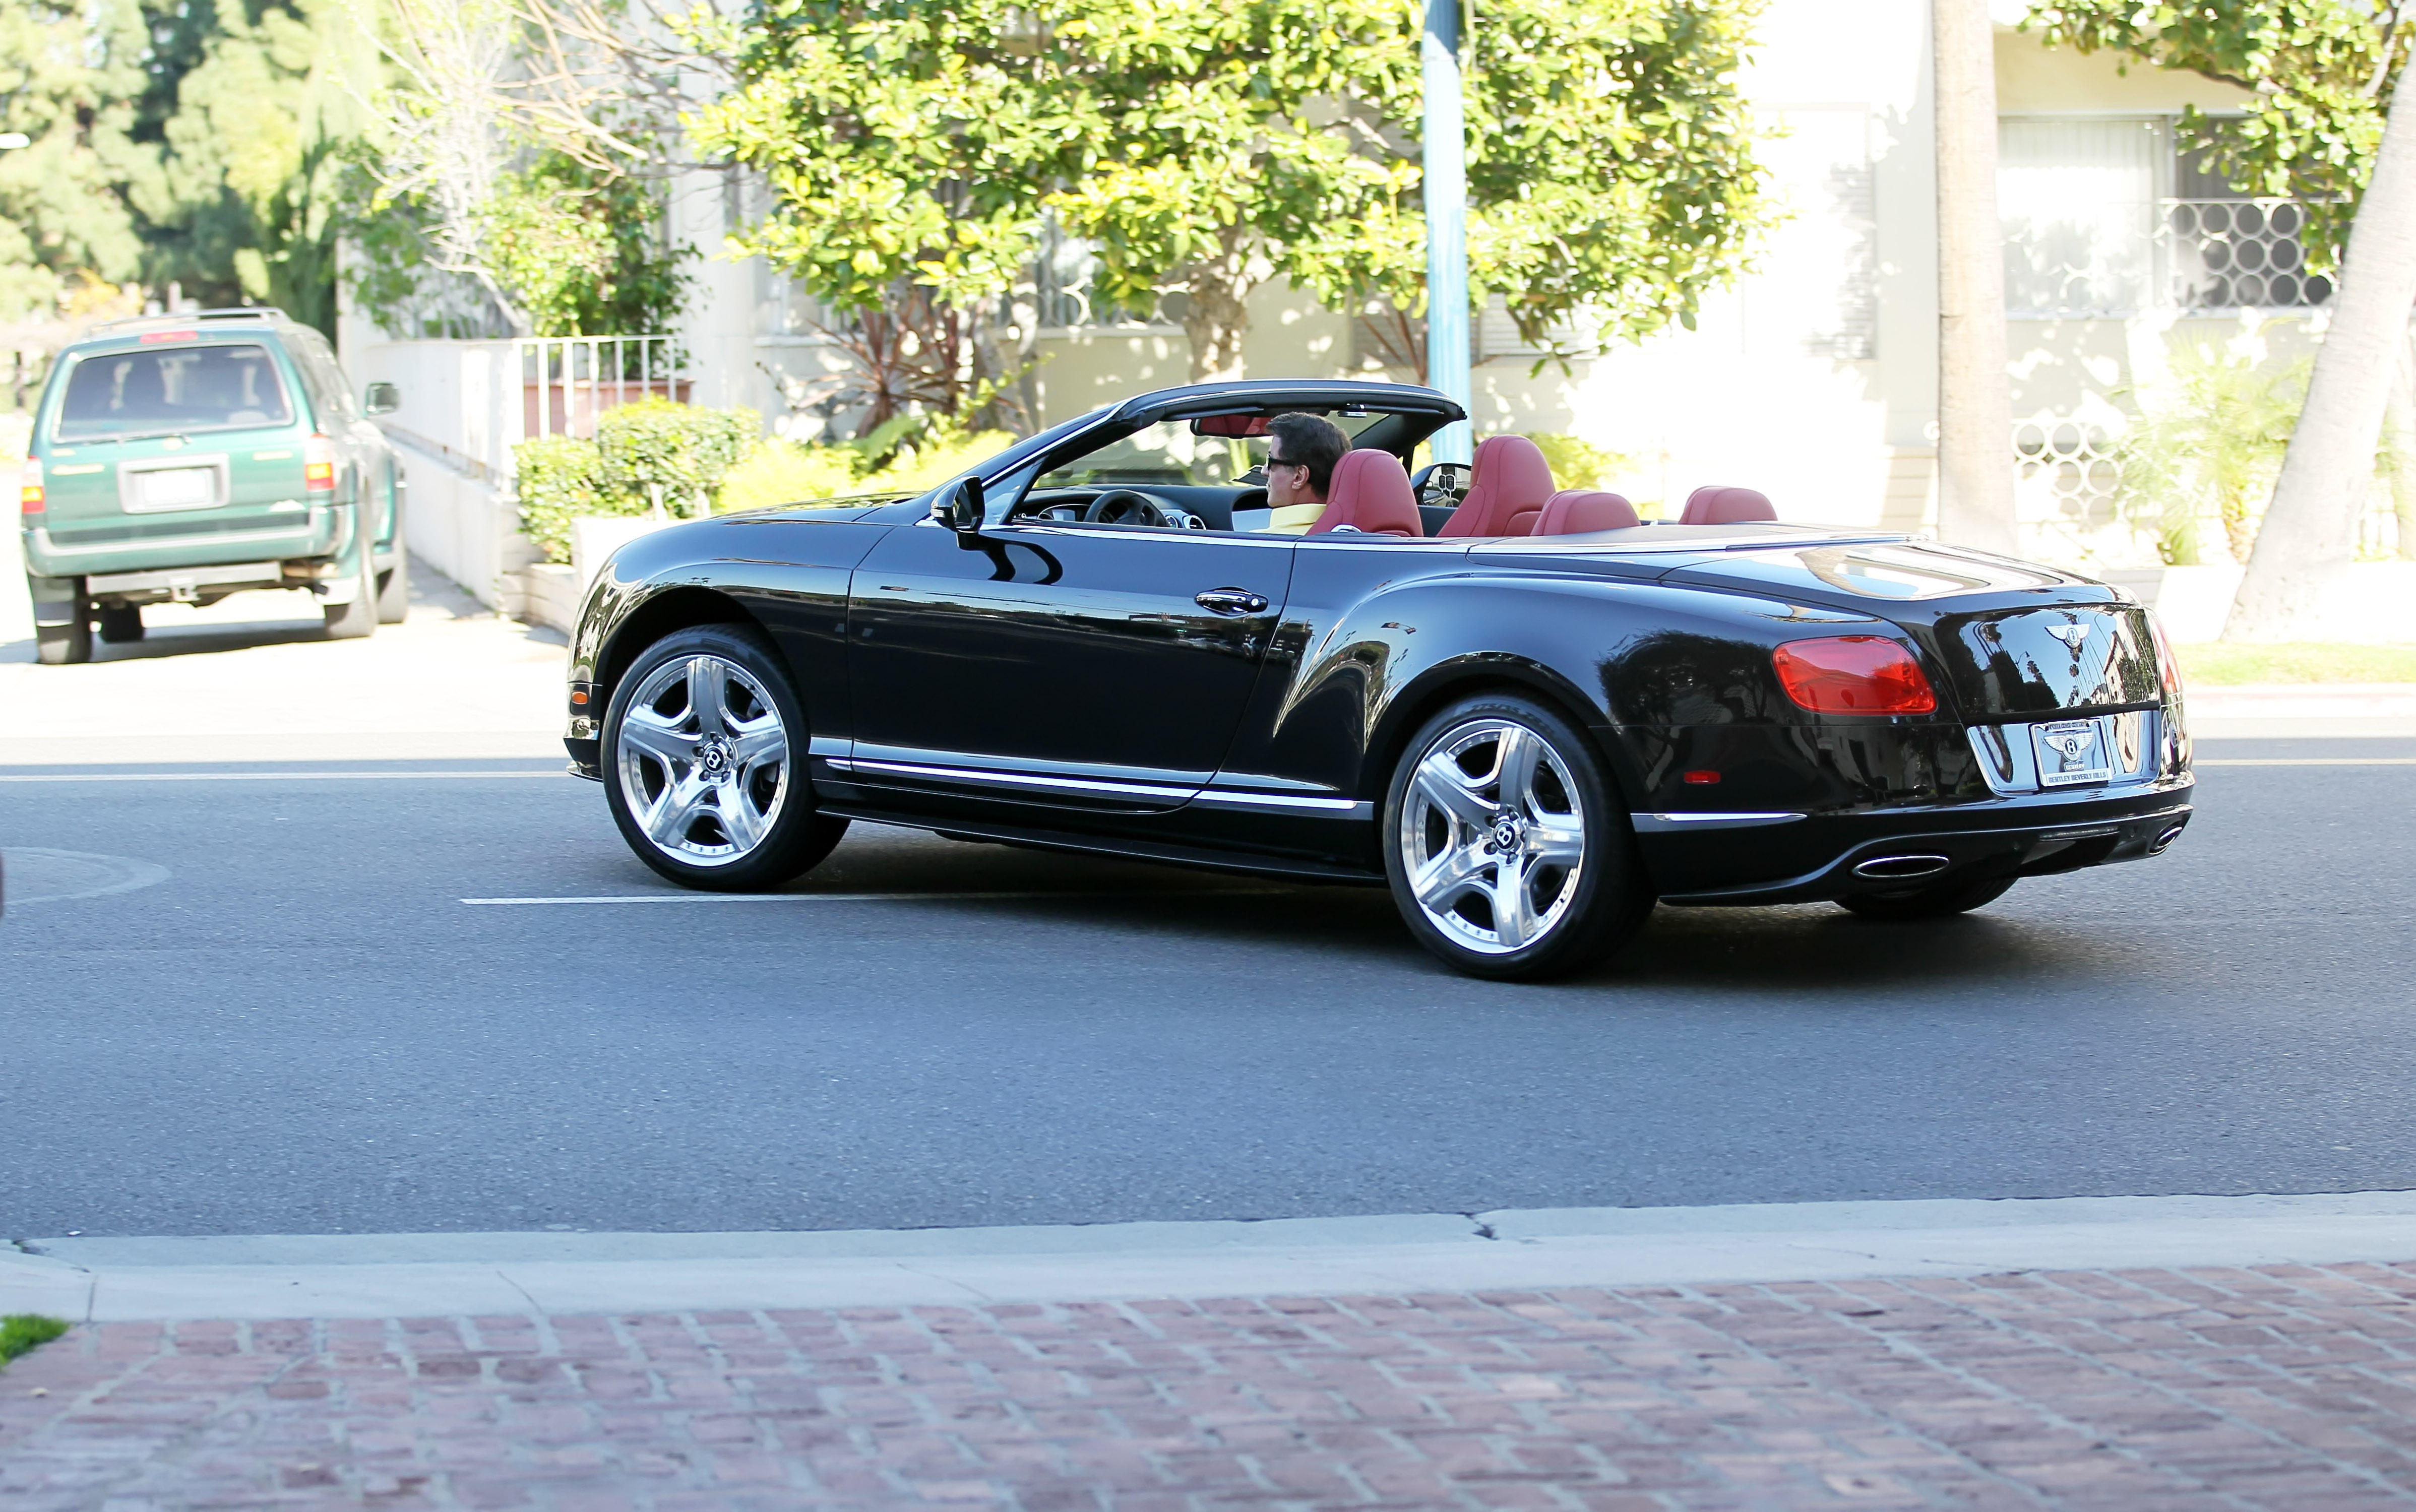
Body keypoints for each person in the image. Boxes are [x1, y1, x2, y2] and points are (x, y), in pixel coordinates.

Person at [1261, 412, 1350, 517]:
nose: (1264, 471)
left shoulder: (1262, 533)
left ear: (1299, 477)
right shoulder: (1352, 528)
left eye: (1270, 460)